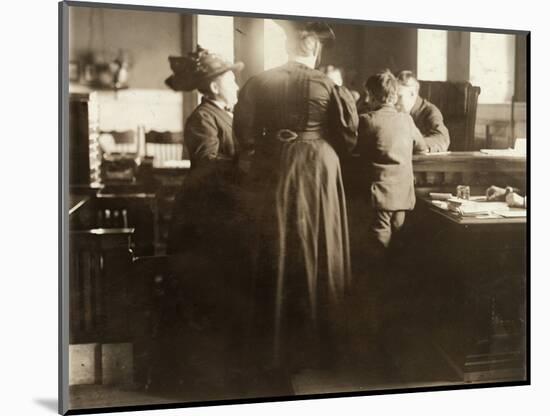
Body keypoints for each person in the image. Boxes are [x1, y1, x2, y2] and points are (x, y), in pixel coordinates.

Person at [233, 20, 358, 384]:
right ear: (313, 48)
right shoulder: (328, 85)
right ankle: (319, 346)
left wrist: (270, 147)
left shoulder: (260, 82)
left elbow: (243, 131)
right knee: (317, 248)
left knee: (278, 248)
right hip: (317, 169)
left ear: (288, 47)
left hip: (274, 168)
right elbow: (347, 137)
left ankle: (273, 347)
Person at [159, 46, 248, 397]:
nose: (237, 84)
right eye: (231, 79)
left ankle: (221, 378)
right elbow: (209, 166)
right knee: (204, 296)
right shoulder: (203, 118)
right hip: (204, 220)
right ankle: (198, 384)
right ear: (213, 88)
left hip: (223, 215)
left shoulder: (227, 115)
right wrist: (249, 164)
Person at [358, 70, 427, 253]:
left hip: (381, 192)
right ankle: (397, 272)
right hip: (404, 193)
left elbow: (359, 151)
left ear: (372, 96)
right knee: (399, 233)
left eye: (368, 95)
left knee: (380, 237)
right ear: (393, 96)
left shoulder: (367, 121)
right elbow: (421, 147)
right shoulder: (407, 119)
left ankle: (379, 274)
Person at [396, 70, 450, 153]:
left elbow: (442, 139)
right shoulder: (396, 110)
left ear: (412, 94)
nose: (394, 101)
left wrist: (414, 144)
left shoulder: (430, 111)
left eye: (399, 96)